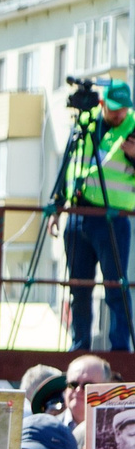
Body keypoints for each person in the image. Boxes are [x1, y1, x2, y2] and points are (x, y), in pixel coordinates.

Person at [61, 76, 135, 354]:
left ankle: (120, 348)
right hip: (79, 213)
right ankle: (79, 345)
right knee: (79, 287)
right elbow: (69, 163)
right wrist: (58, 206)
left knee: (115, 287)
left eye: (124, 108)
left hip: (112, 218)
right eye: (115, 108)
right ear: (102, 103)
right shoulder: (85, 122)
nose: (120, 114)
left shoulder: (133, 126)